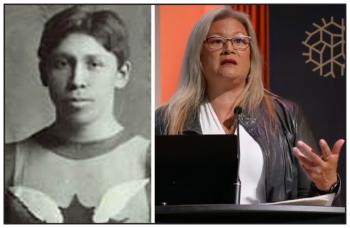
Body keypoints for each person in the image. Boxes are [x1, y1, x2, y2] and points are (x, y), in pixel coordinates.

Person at [155, 7, 344, 204]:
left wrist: (327, 184)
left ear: (251, 55)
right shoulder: (165, 120)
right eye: (217, 41)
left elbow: (311, 203)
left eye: (239, 41)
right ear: (199, 55)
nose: (229, 48)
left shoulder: (286, 115)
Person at [5, 6, 150, 223]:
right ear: (44, 73)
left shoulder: (151, 160)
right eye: (62, 64)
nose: (77, 80)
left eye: (94, 64)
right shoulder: (9, 163)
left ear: (121, 74)